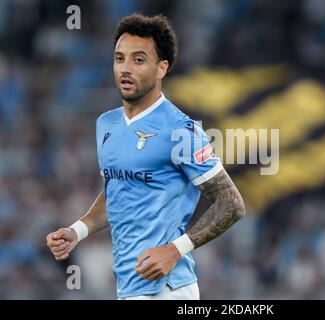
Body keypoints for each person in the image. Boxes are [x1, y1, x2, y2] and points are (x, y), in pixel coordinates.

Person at [46, 13, 245, 300]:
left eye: (138, 60)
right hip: (129, 287)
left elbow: (232, 203)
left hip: (167, 288)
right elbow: (118, 192)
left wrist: (175, 251)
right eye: (119, 58)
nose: (125, 69)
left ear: (162, 68)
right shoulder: (107, 124)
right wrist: (77, 231)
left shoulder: (181, 131)